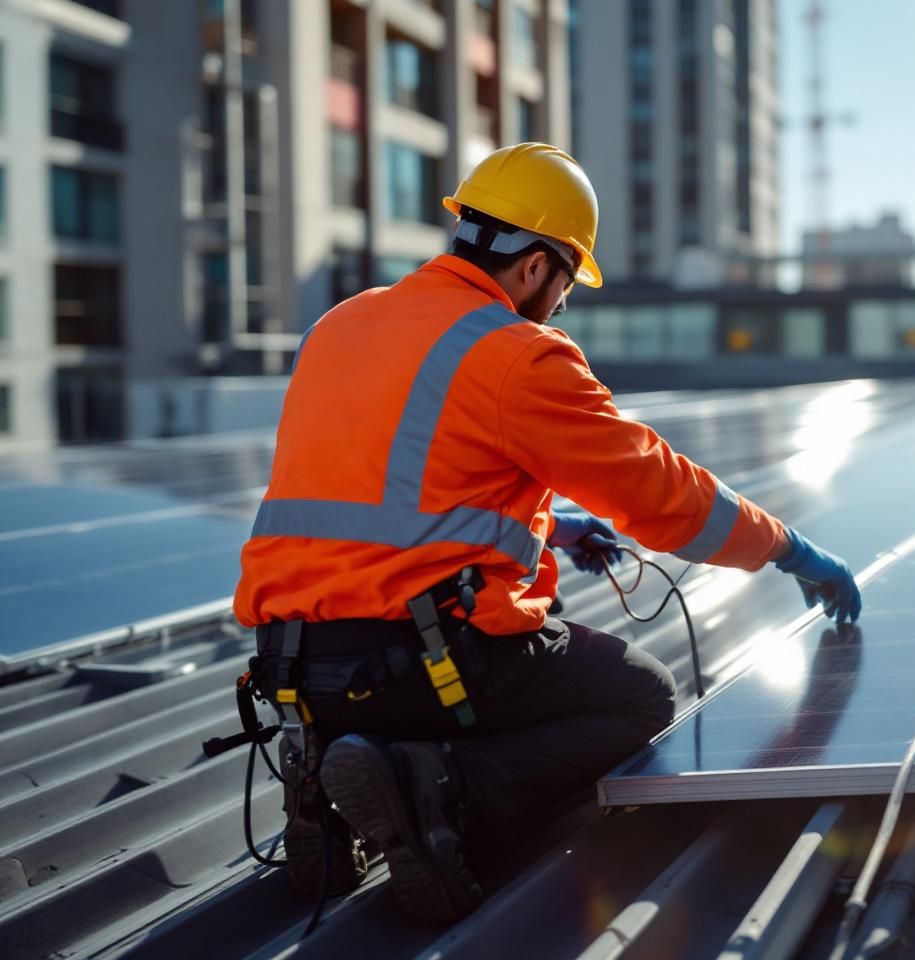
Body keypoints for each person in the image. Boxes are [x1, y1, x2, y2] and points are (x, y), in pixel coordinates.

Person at [233, 142, 862, 925]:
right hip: (419, 671)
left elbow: (373, 488)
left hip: (293, 670)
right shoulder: (516, 354)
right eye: (566, 281)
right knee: (639, 696)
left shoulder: (341, 325)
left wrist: (555, 527)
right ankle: (434, 785)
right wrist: (787, 548)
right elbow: (661, 494)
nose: (563, 303)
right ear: (534, 266)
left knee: (417, 674)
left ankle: (324, 777)